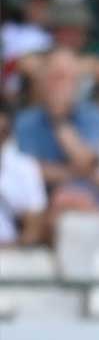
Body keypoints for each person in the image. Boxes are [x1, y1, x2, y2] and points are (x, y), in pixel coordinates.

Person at [14, 47, 99, 216]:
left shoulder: (94, 115)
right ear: (42, 80)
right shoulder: (25, 121)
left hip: (88, 199)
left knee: (73, 200)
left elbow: (86, 161)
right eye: (55, 77)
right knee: (60, 201)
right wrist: (83, 174)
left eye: (67, 78)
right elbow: (31, 171)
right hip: (41, 204)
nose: (61, 85)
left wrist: (60, 121)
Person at [0, 106, 46, 247]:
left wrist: (14, 249)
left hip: (11, 253)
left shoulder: (25, 167)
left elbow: (35, 223)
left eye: (2, 133)